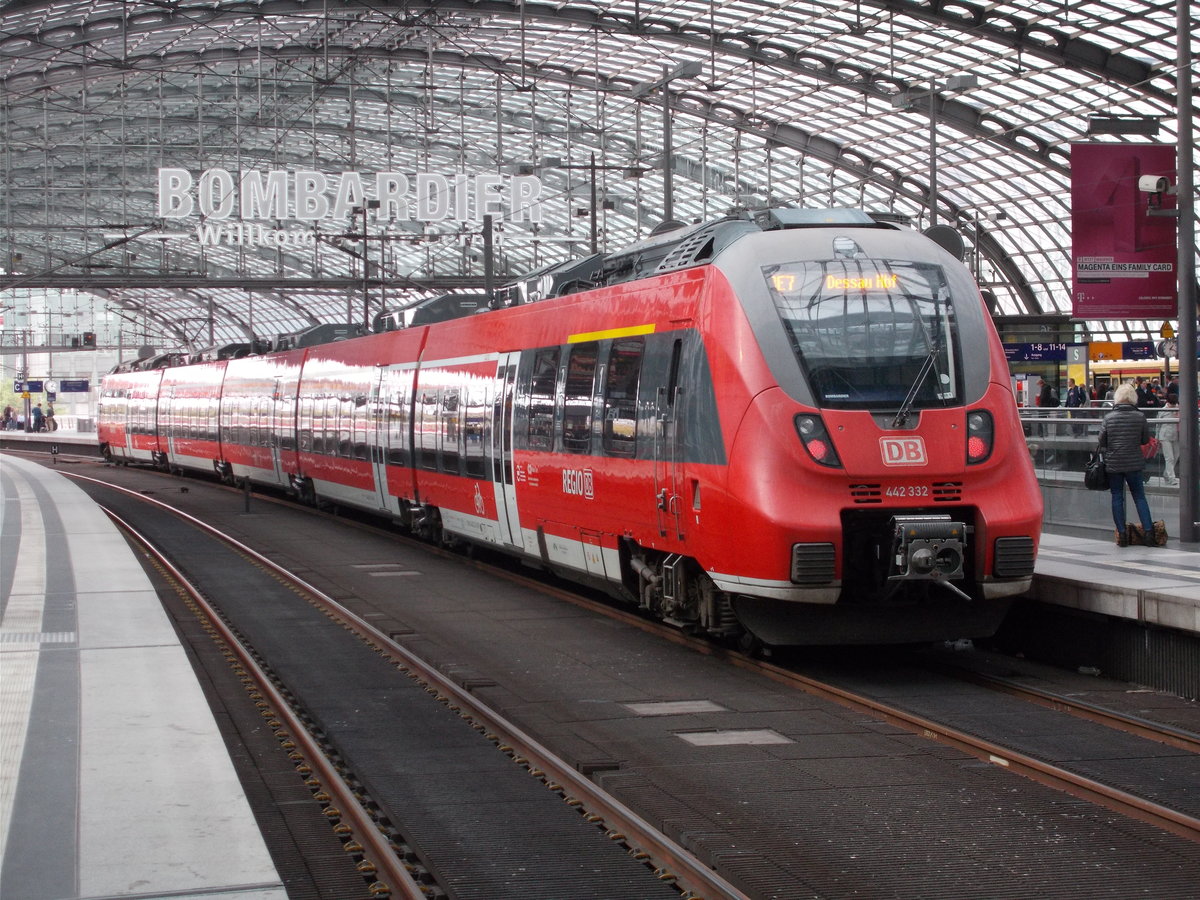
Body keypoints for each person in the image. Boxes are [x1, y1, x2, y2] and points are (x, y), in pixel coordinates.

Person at [1098, 382, 1161, 547]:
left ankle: (1123, 535)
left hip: (1114, 463)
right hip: (1134, 463)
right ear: (1133, 397)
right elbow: (1145, 440)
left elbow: (1102, 441)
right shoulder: (1139, 417)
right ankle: (1148, 533)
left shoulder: (1108, 418)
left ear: (1117, 398)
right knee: (1139, 497)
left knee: (1117, 497)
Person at [1156, 395, 1179, 486]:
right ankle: (1171, 478)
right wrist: (1157, 437)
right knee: (1169, 457)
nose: (1173, 406)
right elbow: (1158, 424)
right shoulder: (1163, 410)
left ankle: (1166, 474)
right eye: (1171, 404)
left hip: (1176, 435)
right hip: (1165, 436)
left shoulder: (1178, 408)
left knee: (1176, 456)